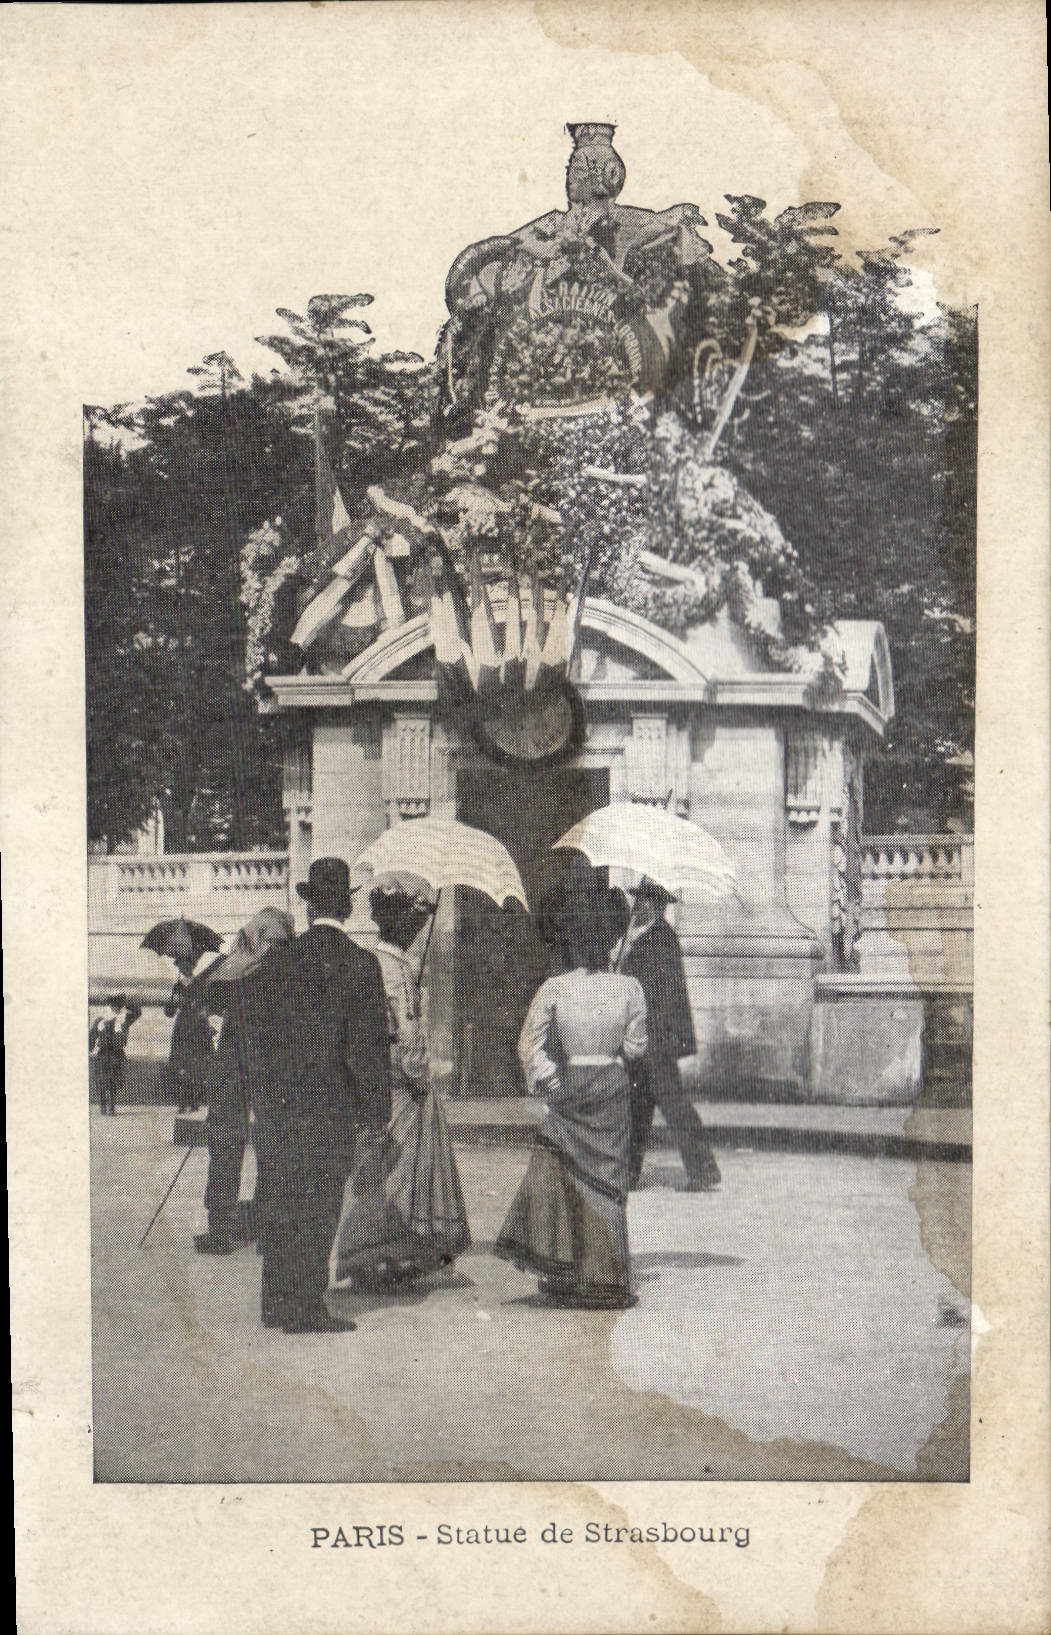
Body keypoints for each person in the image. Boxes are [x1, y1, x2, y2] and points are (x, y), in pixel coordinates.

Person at [237, 857, 392, 1335]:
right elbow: (368, 1047)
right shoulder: (361, 965)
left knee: (281, 1198)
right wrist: (376, 1109)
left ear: (309, 908)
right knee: (320, 1204)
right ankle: (305, 1305)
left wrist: (263, 1094)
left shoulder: (278, 961)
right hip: (332, 1105)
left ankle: (275, 1302)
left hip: (280, 1105)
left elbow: (255, 1034)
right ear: (347, 908)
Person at [495, 890, 647, 1310]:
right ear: (612, 938)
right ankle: (605, 1277)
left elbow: (528, 1044)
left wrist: (550, 1078)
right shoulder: (630, 987)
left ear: (574, 940)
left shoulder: (556, 987)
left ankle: (565, 1271)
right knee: (607, 1180)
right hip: (611, 1084)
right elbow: (635, 1048)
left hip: (572, 1082)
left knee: (564, 1174)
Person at [330, 883, 470, 1292]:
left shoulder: (371, 960)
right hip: (398, 1079)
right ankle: (384, 1255)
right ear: (401, 926)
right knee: (400, 1168)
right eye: (413, 924)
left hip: (371, 1073)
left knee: (373, 1164)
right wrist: (421, 1076)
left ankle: (374, 1253)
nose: (417, 932)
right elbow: (406, 1032)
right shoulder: (395, 969)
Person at [193, 907, 295, 1256]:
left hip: (234, 1063)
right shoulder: (292, 972)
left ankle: (221, 1228)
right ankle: (267, 1229)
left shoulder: (235, 968)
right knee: (273, 1144)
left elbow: (206, 998)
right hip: (273, 1064)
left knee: (226, 1142)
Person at [615, 881, 722, 1193]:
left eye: (643, 901)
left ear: (657, 906)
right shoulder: (645, 937)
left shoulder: (659, 938)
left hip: (656, 1039)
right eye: (637, 899)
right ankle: (628, 1174)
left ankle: (703, 1171)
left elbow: (651, 993)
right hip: (648, 1038)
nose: (637, 906)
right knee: (638, 1106)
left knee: (672, 1104)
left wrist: (624, 969)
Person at [89, 994, 140, 1114]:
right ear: (110, 1006)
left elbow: (137, 1012)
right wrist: (89, 1047)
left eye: (119, 1005)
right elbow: (92, 1036)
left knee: (115, 1081)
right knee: (102, 1080)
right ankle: (103, 1106)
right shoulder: (101, 1019)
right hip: (103, 1053)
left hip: (117, 1053)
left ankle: (112, 1107)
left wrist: (128, 1002)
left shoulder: (124, 1019)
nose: (116, 1008)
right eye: (114, 1005)